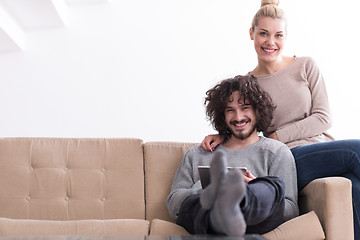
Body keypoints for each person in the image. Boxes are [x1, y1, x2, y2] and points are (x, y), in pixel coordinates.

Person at [200, 0, 360, 239]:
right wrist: (222, 134)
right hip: (291, 157)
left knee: (353, 186)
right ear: (251, 33)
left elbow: (324, 118)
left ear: (286, 37)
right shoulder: (247, 84)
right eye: (263, 33)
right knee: (356, 151)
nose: (270, 42)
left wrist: (277, 133)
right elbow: (244, 122)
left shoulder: (306, 66)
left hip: (324, 148)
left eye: (278, 35)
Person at [166, 75, 299, 236]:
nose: (238, 117)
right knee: (199, 204)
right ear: (222, 115)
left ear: (258, 111)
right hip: (207, 218)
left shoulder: (277, 152)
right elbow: (174, 206)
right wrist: (207, 185)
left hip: (252, 219)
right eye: (230, 110)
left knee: (267, 189)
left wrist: (257, 187)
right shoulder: (198, 153)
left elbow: (291, 211)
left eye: (245, 108)